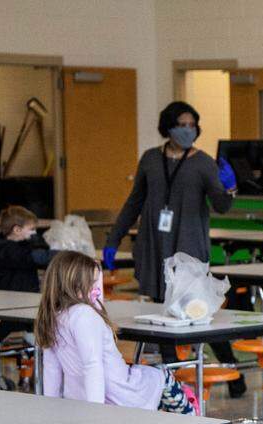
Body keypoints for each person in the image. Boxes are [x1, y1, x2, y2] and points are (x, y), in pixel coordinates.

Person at [103, 100, 246, 397]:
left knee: (198, 314)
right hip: (155, 247)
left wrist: (229, 187)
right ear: (168, 127)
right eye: (182, 124)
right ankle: (174, 380)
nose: (187, 130)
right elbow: (134, 201)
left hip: (189, 249)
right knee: (161, 315)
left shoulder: (204, 163)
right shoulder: (151, 160)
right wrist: (113, 240)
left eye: (192, 125)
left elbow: (221, 205)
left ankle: (233, 372)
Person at [36, 251, 197, 415]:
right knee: (162, 374)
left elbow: (51, 367)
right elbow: (92, 365)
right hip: (119, 395)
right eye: (91, 283)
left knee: (151, 373)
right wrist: (96, 413)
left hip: (79, 398)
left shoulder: (53, 315)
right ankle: (194, 423)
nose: (96, 290)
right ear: (75, 285)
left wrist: (52, 409)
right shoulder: (84, 314)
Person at [0, 205, 52, 293]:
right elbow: (35, 257)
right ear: (17, 230)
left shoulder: (25, 244)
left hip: (23, 294)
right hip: (8, 296)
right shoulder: (6, 249)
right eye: (32, 229)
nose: (34, 233)